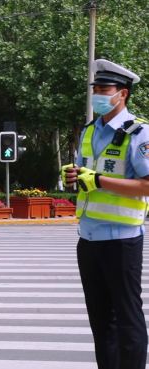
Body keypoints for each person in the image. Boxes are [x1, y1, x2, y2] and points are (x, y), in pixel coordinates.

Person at [62, 59, 149, 369]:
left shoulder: (139, 133)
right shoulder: (89, 130)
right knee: (101, 324)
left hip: (121, 240)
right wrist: (74, 177)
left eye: (104, 89)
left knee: (127, 320)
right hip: (88, 240)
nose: (97, 95)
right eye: (95, 89)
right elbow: (85, 172)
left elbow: (147, 185)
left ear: (122, 94)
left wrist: (97, 180)